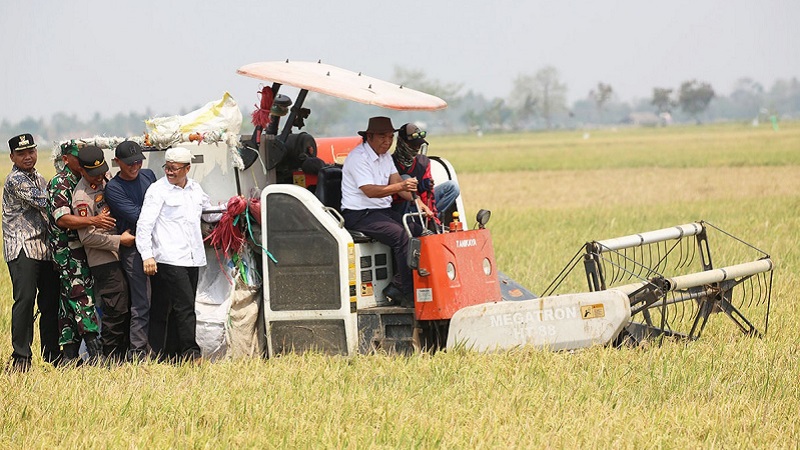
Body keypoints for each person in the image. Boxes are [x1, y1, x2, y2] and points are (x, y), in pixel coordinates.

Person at [136, 147, 217, 362]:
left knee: (175, 307)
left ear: (187, 169)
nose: (169, 172)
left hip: (192, 258)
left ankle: (171, 354)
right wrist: (147, 255)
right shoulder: (157, 190)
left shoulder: (195, 189)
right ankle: (191, 353)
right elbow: (144, 225)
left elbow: (209, 214)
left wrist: (233, 207)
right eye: (167, 168)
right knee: (185, 307)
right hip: (168, 258)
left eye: (174, 169)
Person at [340, 117, 424, 307]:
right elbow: (369, 191)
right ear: (369, 136)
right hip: (360, 214)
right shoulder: (357, 158)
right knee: (403, 236)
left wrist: (417, 201)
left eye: (390, 137)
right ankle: (405, 292)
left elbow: (397, 184)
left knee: (418, 231)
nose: (387, 141)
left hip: (381, 211)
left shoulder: (385, 157)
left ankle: (405, 284)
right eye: (382, 137)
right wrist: (401, 185)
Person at [48, 141, 114, 364]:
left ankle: (68, 356)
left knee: (69, 302)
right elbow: (62, 218)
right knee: (81, 296)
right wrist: (94, 220)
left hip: (87, 247)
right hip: (69, 251)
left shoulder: (88, 178)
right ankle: (96, 355)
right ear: (66, 159)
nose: (83, 160)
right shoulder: (60, 182)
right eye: (79, 157)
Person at [72, 146, 136, 361]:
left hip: (120, 251)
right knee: (116, 306)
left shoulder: (107, 179)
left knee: (127, 302)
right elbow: (87, 237)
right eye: (94, 174)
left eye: (103, 172)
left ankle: (125, 352)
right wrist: (119, 241)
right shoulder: (82, 197)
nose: (100, 177)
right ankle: (110, 356)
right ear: (82, 171)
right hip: (102, 257)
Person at [2, 134, 60, 372]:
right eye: (22, 154)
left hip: (44, 249)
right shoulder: (15, 180)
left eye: (31, 152)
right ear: (12, 157)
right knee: (25, 301)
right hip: (22, 247)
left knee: (50, 303)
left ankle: (52, 356)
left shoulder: (40, 177)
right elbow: (46, 202)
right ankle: (21, 358)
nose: (28, 157)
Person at [104, 141, 157, 360]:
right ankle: (137, 352)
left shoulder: (149, 175)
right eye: (129, 163)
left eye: (138, 161)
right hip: (134, 248)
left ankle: (156, 347)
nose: (135, 166)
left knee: (159, 298)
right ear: (117, 162)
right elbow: (139, 216)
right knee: (141, 300)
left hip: (157, 244)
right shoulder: (114, 189)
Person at [391, 123, 460, 225]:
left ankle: (431, 219)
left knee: (452, 187)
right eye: (413, 145)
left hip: (423, 202)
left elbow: (429, 194)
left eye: (418, 145)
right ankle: (415, 221)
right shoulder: (391, 162)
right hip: (402, 206)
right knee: (405, 178)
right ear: (403, 143)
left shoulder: (423, 162)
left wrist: (426, 185)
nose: (416, 148)